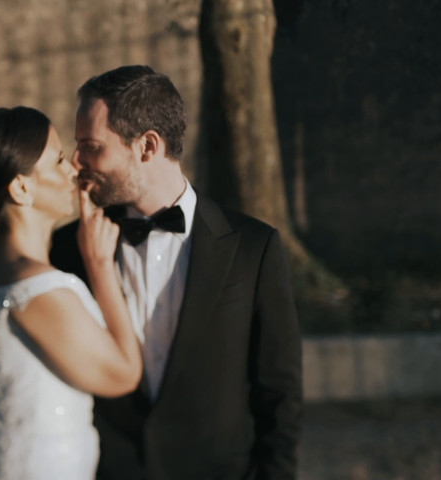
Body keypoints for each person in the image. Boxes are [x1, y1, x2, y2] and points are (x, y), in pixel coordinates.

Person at [50, 65, 303, 479]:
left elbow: (280, 392)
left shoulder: (254, 248)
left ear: (148, 146)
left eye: (91, 146)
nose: (77, 162)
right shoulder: (68, 248)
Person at [0, 106, 142, 480]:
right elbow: (123, 376)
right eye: (59, 161)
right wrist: (99, 265)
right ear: (21, 187)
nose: (73, 171)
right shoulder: (36, 289)